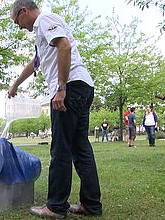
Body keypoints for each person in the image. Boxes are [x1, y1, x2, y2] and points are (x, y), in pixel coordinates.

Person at [9, 1, 102, 218]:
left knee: (60, 148)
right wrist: (15, 84)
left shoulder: (45, 20)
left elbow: (65, 46)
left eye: (17, 21)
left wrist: (61, 88)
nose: (19, 27)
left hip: (69, 88)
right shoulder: (42, 31)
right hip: (81, 86)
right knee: (81, 149)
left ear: (24, 11)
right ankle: (91, 205)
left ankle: (56, 206)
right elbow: (36, 62)